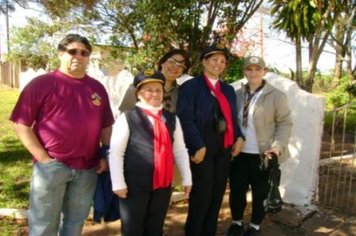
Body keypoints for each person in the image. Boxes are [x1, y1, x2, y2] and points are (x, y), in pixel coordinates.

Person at [9, 34, 115, 236]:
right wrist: (44, 160)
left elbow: (106, 125)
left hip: (87, 168)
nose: (79, 56)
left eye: (84, 53)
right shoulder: (41, 84)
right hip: (52, 167)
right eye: (72, 51)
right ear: (60, 54)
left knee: (75, 223)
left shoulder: (97, 88)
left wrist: (105, 153)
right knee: (43, 224)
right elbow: (21, 124)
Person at [109, 69, 192, 236]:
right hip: (134, 184)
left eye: (158, 90)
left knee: (155, 227)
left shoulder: (172, 118)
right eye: (148, 90)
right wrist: (118, 183)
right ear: (138, 93)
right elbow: (116, 152)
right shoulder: (127, 117)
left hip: (163, 183)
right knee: (133, 228)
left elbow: (180, 150)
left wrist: (187, 177)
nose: (154, 94)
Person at [176, 41, 245, 236]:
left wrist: (239, 137)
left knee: (216, 197)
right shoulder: (191, 87)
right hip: (202, 148)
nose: (218, 64)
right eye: (214, 59)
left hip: (223, 149)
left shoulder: (228, 90)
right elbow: (185, 118)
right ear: (204, 62)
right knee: (201, 197)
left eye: (222, 61)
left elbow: (232, 118)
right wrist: (197, 145)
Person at [226, 56, 292, 236]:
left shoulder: (276, 95)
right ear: (244, 72)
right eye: (249, 69)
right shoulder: (237, 94)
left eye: (257, 69)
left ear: (264, 71)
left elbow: (285, 123)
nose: (253, 72)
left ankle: (255, 226)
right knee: (237, 191)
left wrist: (277, 147)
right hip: (239, 153)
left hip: (264, 154)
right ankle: (237, 223)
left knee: (260, 193)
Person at [118, 49, 190, 114]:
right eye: (172, 61)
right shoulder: (138, 86)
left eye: (181, 65)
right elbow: (124, 114)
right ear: (162, 63)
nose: (175, 67)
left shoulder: (182, 92)